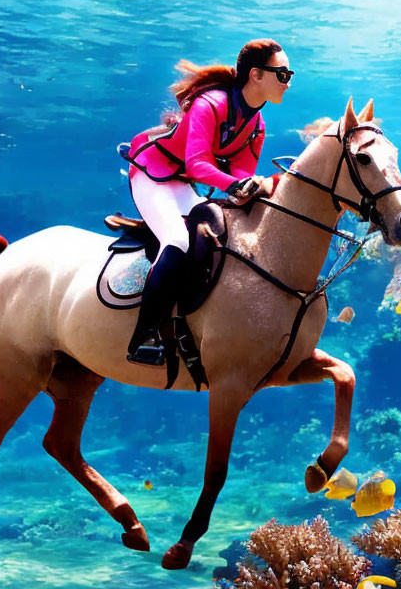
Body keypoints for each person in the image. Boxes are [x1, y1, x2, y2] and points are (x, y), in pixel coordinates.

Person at [125, 38, 293, 366]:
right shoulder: (211, 103)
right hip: (152, 171)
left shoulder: (257, 125)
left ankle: (188, 330)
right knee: (177, 239)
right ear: (257, 75)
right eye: (283, 74)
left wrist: (256, 187)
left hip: (182, 183)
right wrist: (238, 183)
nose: (287, 82)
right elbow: (198, 165)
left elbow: (241, 176)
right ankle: (143, 337)